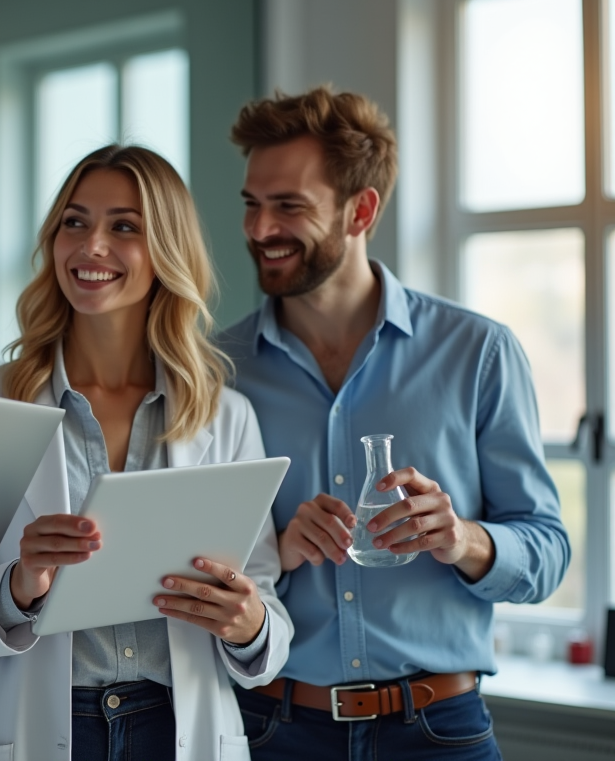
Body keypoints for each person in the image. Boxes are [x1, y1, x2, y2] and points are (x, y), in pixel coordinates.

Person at [220, 86, 571, 761]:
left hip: (439, 733)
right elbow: (192, 561)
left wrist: (464, 539)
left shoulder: (477, 352)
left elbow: (548, 549)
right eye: (252, 204)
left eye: (288, 206)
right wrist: (273, 548)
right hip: (271, 731)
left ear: (361, 209)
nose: (259, 229)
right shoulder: (216, 369)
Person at [0, 145, 292, 761]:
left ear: (166, 249)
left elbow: (263, 600)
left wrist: (249, 626)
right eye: (74, 222)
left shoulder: (223, 415)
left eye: (124, 226)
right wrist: (20, 585)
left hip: (177, 731)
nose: (91, 246)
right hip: (33, 727)